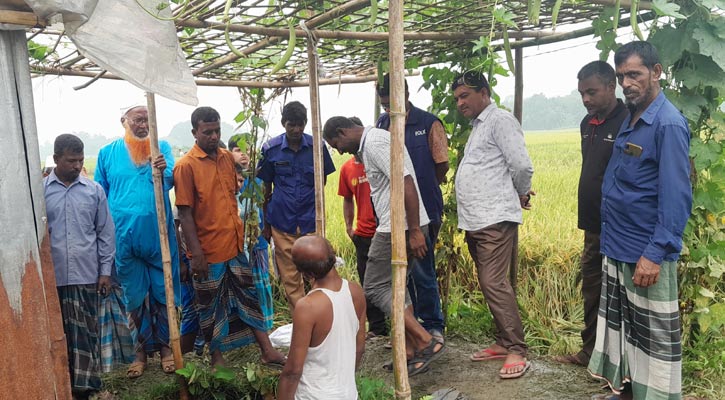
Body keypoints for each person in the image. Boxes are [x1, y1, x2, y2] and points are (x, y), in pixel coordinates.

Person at [588, 41, 692, 400]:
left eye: (634, 74)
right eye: (621, 77)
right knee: (628, 331)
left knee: (655, 340)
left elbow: (677, 198)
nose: (627, 83)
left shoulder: (668, 124)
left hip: (645, 253)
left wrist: (655, 252)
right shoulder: (633, 118)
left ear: (656, 72)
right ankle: (628, 391)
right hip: (618, 246)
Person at [323, 116, 445, 376]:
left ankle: (425, 339)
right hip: (400, 225)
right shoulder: (373, 142)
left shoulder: (375, 142)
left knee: (374, 286)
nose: (340, 151)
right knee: (398, 286)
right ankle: (409, 351)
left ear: (342, 132)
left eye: (337, 144)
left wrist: (413, 230)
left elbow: (406, 182)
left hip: (396, 227)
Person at [174, 106, 286, 370]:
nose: (213, 137)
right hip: (207, 251)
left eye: (217, 131)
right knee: (209, 308)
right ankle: (216, 358)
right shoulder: (186, 166)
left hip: (235, 246)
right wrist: (196, 254)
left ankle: (267, 351)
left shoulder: (226, 158)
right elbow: (185, 214)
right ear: (195, 133)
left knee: (249, 298)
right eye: (207, 132)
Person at [452, 71, 534, 379]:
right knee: (491, 282)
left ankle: (516, 348)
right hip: (478, 219)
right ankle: (503, 341)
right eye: (457, 98)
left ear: (484, 92)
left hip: (494, 218)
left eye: (465, 96)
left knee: (493, 283)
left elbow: (522, 164)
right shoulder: (480, 125)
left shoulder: (499, 120)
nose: (460, 102)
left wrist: (522, 190)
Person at [95, 105, 180, 378]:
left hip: (159, 237)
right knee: (133, 298)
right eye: (138, 120)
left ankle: (167, 350)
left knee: (164, 293)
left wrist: (163, 168)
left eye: (148, 120)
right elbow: (100, 194)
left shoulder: (161, 147)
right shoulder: (107, 154)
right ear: (124, 121)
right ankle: (140, 353)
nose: (144, 125)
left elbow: (170, 180)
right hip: (123, 239)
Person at [553, 61, 628, 368]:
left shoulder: (628, 121)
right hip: (593, 226)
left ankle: (620, 360)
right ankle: (589, 352)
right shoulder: (587, 124)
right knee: (592, 288)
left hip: (621, 226)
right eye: (582, 93)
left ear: (612, 86)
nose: (586, 99)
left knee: (622, 294)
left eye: (592, 92)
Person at [376, 74, 447, 341]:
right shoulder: (382, 124)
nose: (388, 109)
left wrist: (422, 190)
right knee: (401, 274)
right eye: (384, 105)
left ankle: (432, 326)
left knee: (422, 270)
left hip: (425, 209)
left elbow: (441, 164)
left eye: (391, 102)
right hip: (395, 214)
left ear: (405, 93)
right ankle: (412, 328)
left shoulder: (428, 123)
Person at [44, 134, 115, 398]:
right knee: (59, 334)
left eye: (80, 160)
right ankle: (61, 386)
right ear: (56, 160)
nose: (76, 166)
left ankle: (87, 388)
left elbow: (105, 233)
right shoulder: (41, 192)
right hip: (55, 278)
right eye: (70, 160)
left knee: (86, 333)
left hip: (87, 274)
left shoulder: (94, 191)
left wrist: (105, 272)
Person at [257, 101, 336, 310]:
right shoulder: (270, 149)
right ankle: (303, 319)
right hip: (282, 222)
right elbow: (265, 188)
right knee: (290, 277)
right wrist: (266, 224)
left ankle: (321, 317)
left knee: (317, 271)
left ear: (306, 123)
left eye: (300, 124)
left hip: (311, 220)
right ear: (284, 123)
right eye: (291, 124)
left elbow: (323, 182)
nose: (296, 129)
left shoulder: (317, 147)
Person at [278, 236, 366, 400]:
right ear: (333, 256)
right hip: (347, 393)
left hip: (313, 395)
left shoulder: (308, 307)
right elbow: (359, 348)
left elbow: (293, 371)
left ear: (305, 273)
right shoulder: (356, 292)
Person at [337, 117, 388, 338]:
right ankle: (378, 328)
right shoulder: (347, 169)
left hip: (385, 230)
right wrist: (350, 227)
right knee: (368, 281)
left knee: (393, 281)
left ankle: (406, 328)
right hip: (364, 234)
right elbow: (347, 199)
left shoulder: (375, 156)